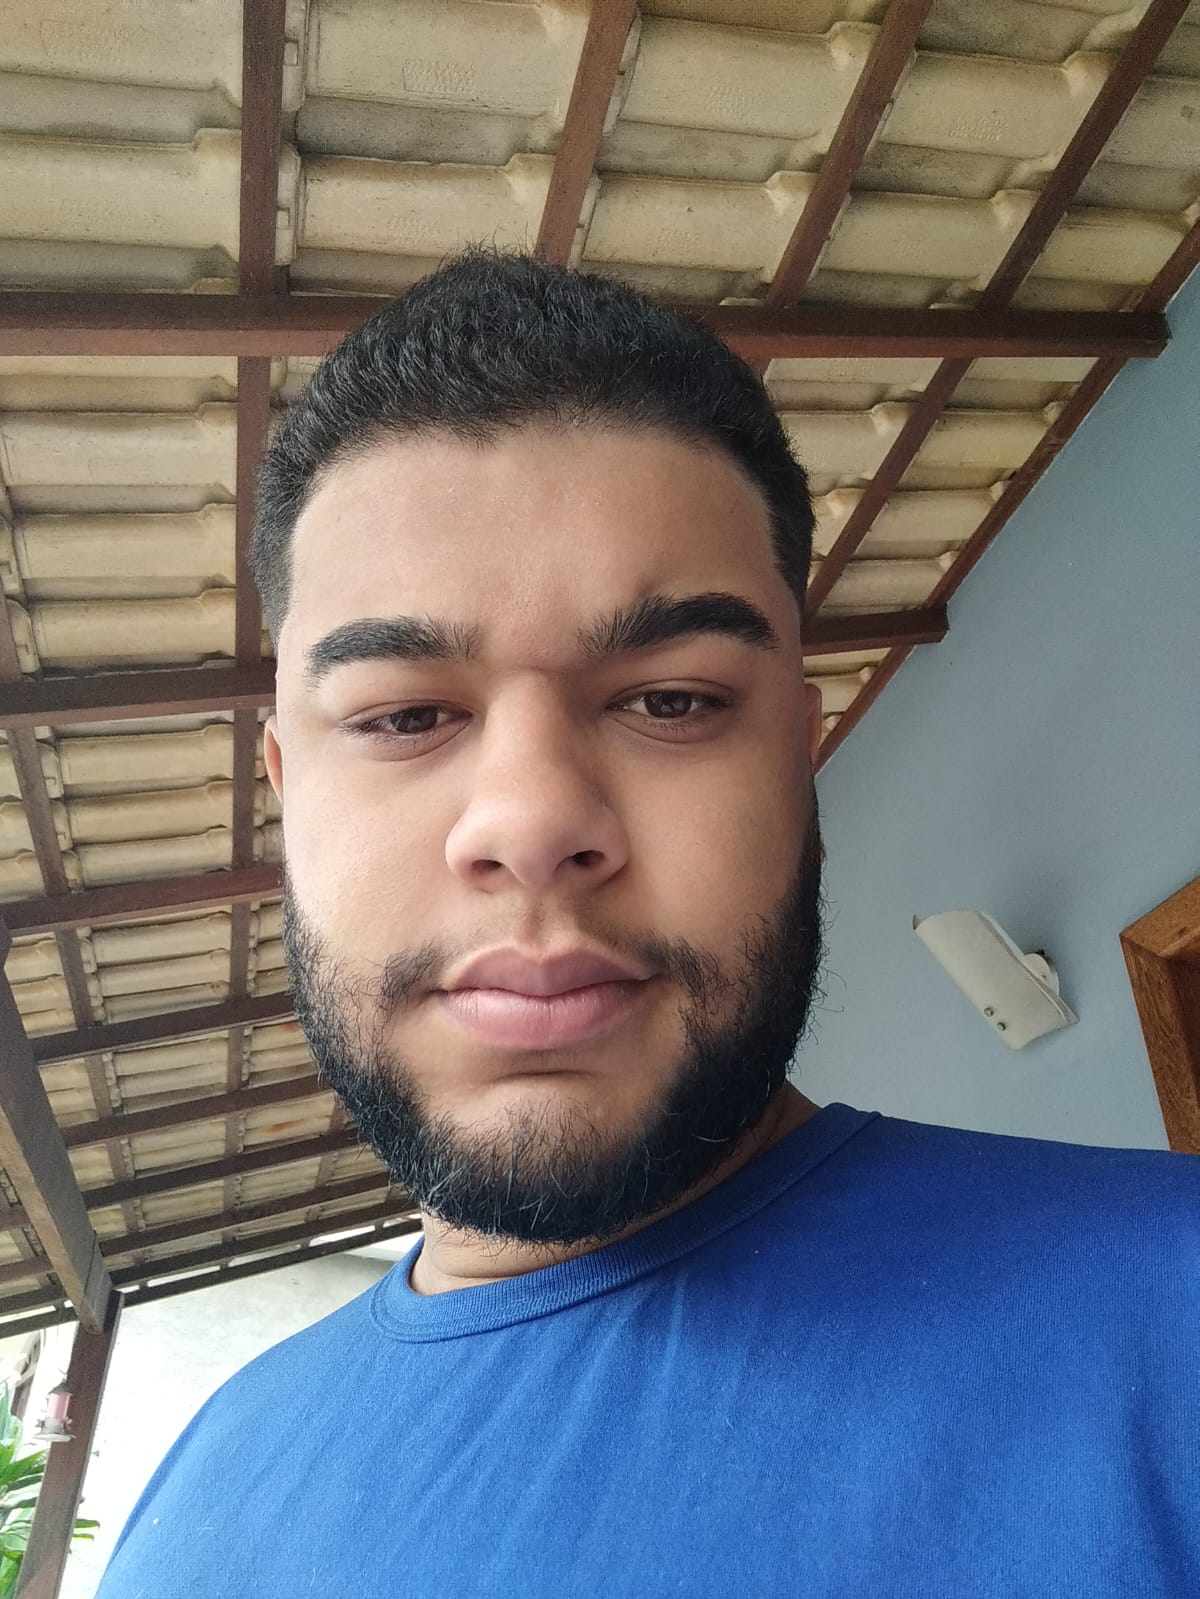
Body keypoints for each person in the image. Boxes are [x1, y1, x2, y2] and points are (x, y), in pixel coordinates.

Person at [96, 252, 1198, 1597]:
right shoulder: (194, 1500)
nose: (531, 820)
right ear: (286, 792)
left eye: (672, 700)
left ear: (796, 766)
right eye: (402, 715)